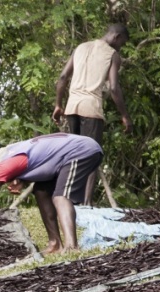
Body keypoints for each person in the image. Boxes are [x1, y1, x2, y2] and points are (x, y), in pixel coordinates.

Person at [52, 24, 132, 204]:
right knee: (91, 156)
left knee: (73, 155)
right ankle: (86, 203)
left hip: (72, 106)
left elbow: (63, 77)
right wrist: (125, 115)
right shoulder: (112, 55)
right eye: (122, 43)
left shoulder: (80, 48)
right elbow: (113, 87)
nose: (121, 47)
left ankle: (69, 199)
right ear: (116, 37)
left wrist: (58, 105)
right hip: (91, 108)